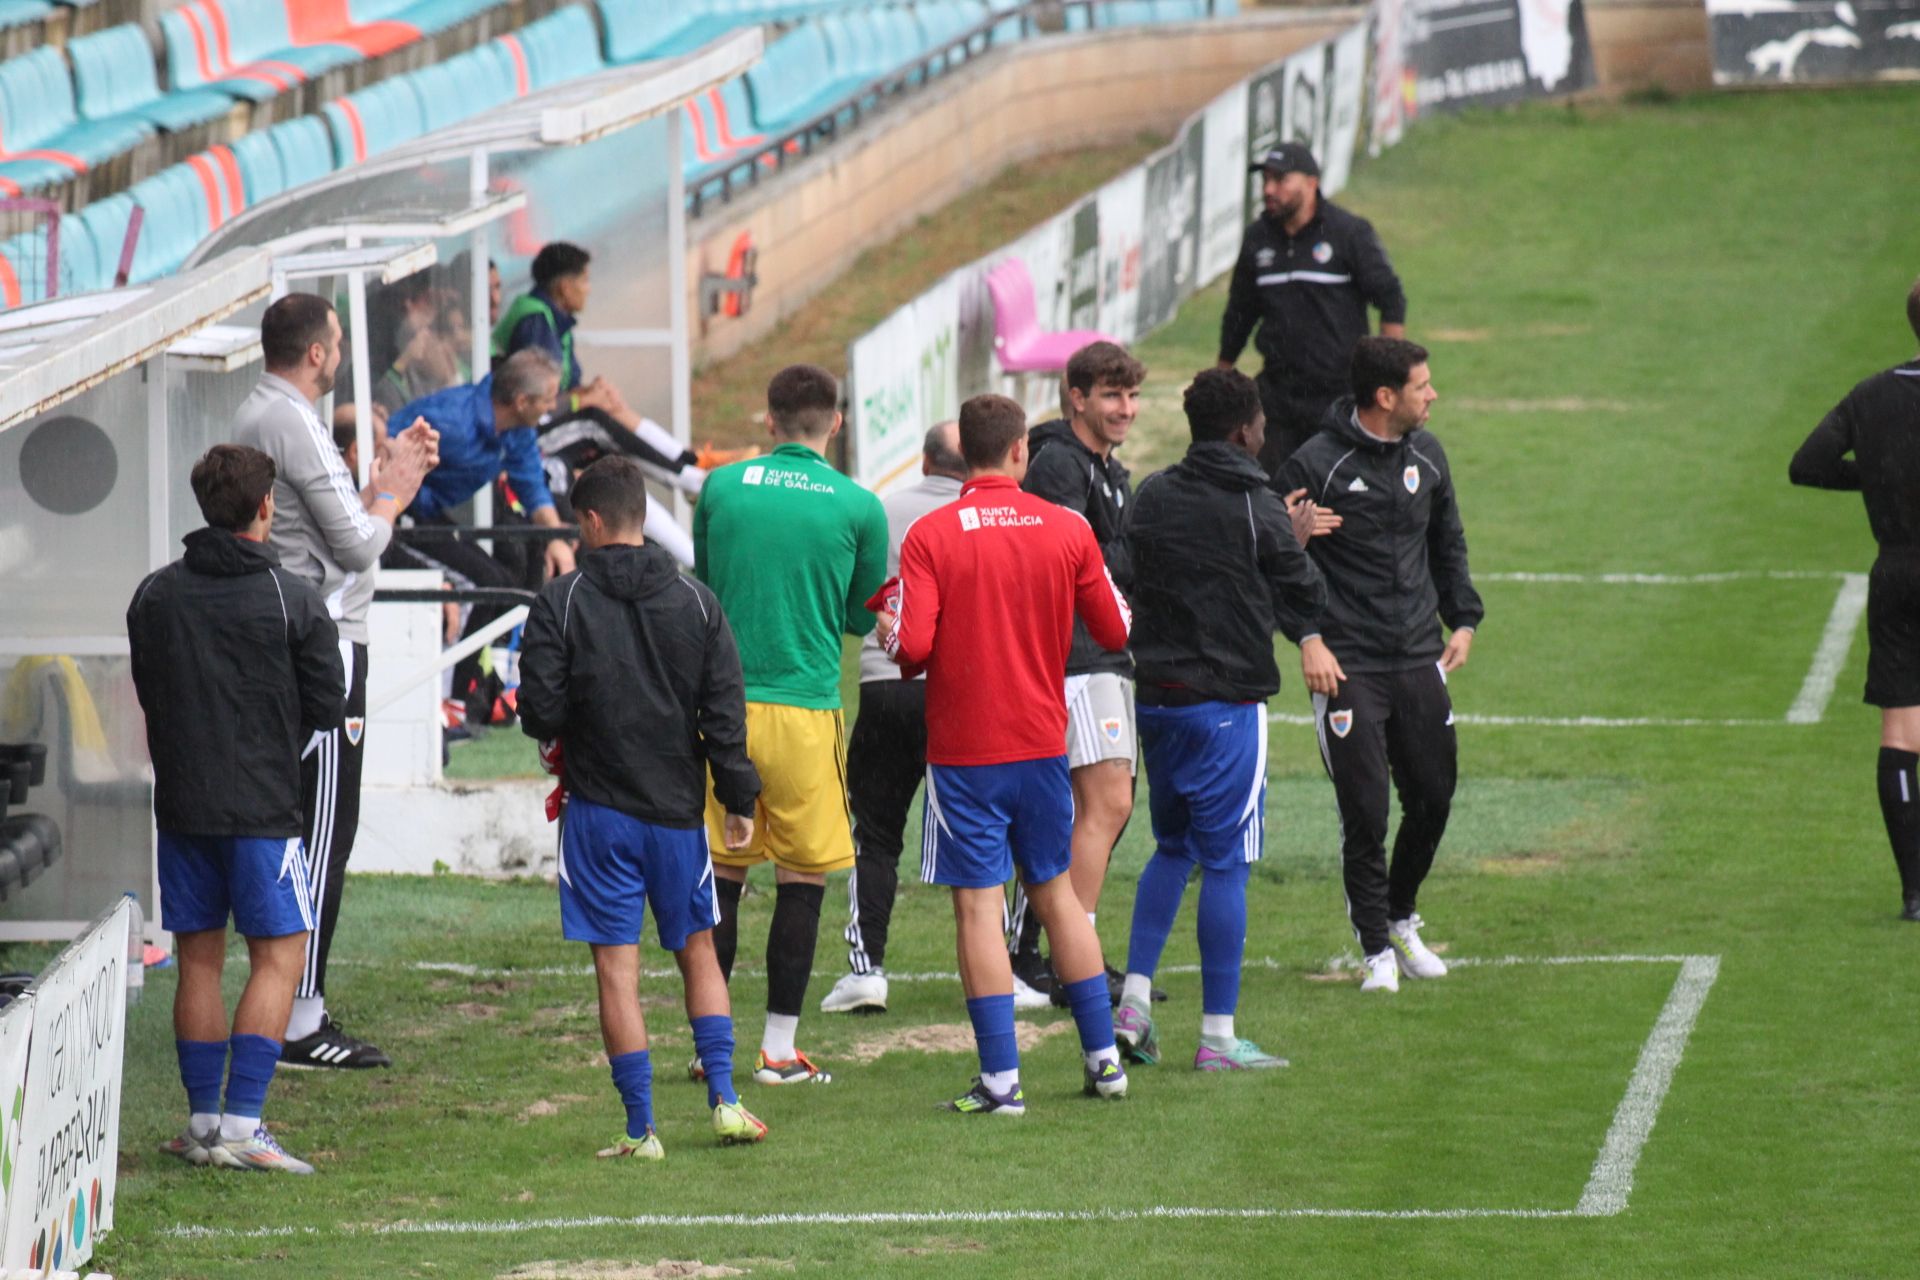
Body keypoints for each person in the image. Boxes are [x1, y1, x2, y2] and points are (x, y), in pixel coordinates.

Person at [879, 393, 1133, 1114]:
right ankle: (1105, 1062)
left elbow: (912, 646)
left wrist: (890, 616)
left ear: (966, 454)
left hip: (966, 753)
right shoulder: (1066, 528)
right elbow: (1114, 627)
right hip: (1043, 744)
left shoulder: (932, 534)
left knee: (978, 908)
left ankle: (1001, 1081)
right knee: (1057, 898)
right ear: (1020, 450)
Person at [517, 457, 770, 1159]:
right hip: (677, 816)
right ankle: (724, 1100)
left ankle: (641, 1130)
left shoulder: (560, 602)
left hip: (598, 815)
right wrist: (739, 796)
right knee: (699, 954)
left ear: (592, 521)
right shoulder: (697, 602)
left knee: (616, 970)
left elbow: (539, 709)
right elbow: (725, 713)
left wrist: (570, 722)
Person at [231, 293, 438, 1072]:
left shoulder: (269, 411)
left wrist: (383, 478)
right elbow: (354, 544)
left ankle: (290, 1004)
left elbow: (338, 523)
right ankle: (297, 1017)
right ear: (317, 352)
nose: (342, 351)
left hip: (303, 635)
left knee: (315, 828)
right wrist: (394, 493)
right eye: (339, 340)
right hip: (321, 645)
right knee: (322, 830)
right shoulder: (287, 418)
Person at [129, 445, 346, 1172]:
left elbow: (148, 689)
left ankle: (201, 1127)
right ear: (265, 509)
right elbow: (327, 704)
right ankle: (245, 1126)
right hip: (261, 811)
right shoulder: (293, 596)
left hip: (184, 808)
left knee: (197, 961)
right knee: (278, 958)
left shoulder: (154, 594)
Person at [1114, 368, 1331, 1071]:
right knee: (1228, 861)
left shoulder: (1150, 494)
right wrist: (1293, 540)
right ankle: (1217, 1037)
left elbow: (1128, 573)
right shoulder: (1256, 504)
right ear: (1245, 430)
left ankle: (1135, 1003)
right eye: (1261, 423)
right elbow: (1304, 594)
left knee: (1172, 848)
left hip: (1155, 701)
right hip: (1226, 706)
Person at [692, 364, 889, 1085]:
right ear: (835, 424)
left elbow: (705, 597)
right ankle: (777, 1052)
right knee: (803, 881)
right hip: (806, 713)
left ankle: (707, 1046)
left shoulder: (720, 488)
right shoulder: (858, 506)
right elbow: (860, 617)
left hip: (724, 711)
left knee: (722, 877)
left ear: (768, 422)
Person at [1275, 337, 1483, 993]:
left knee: (1434, 798)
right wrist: (1307, 635)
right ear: (1386, 397)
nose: (1433, 395)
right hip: (1348, 663)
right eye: (1423, 386)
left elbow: (1447, 541)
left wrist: (1465, 618)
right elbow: (1280, 558)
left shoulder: (1429, 454)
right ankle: (1375, 951)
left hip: (1419, 653)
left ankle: (1400, 913)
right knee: (1364, 811)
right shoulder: (1317, 463)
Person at [1007, 341, 1142, 1009]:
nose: (1126, 408)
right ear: (1077, 395)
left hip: (1098, 657)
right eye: (1112, 395)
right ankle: (1071, 958)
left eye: (1132, 396)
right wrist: (1131, 546)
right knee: (1107, 803)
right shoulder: (1060, 463)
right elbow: (1074, 557)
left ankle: (1047, 953)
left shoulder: (1103, 468)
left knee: (1081, 813)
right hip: (1078, 658)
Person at [819, 422, 966, 1016]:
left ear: (924, 459)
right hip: (961, 695)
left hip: (886, 687)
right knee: (979, 838)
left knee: (876, 835)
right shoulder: (980, 515)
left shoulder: (882, 510)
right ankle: (1005, 967)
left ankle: (866, 971)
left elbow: (859, 602)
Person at [1790, 278, 1920, 921]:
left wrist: (1876, 479)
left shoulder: (1871, 395)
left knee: (1901, 733)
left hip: (1896, 572)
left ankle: (1915, 892)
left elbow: (1807, 464)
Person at [494, 241, 747, 560]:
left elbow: (561, 390)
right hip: (526, 434)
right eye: (584, 280)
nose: (589, 288)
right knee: (594, 419)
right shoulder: (535, 324)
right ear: (563, 285)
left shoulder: (556, 319)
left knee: (622, 475)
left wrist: (589, 393)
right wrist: (584, 399)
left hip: (549, 431)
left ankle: (694, 541)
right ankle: (693, 474)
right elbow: (535, 401)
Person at [386, 348, 573, 721]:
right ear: (522, 401)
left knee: (497, 581)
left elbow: (531, 483)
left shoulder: (517, 429)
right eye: (549, 398)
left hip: (428, 514)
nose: (552, 406)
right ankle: (441, 701)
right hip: (396, 516)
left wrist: (556, 539)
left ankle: (459, 700)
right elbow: (386, 444)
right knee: (479, 582)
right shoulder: (452, 421)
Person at [1218, 142, 1408, 476]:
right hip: (1277, 397)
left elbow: (1390, 299)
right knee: (1268, 493)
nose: (1269, 189)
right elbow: (1239, 313)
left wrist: (1387, 375)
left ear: (1311, 182)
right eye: (1265, 181)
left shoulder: (1349, 232)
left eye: (1280, 180)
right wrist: (1221, 377)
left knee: (1340, 492)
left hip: (1339, 395)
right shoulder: (1257, 238)